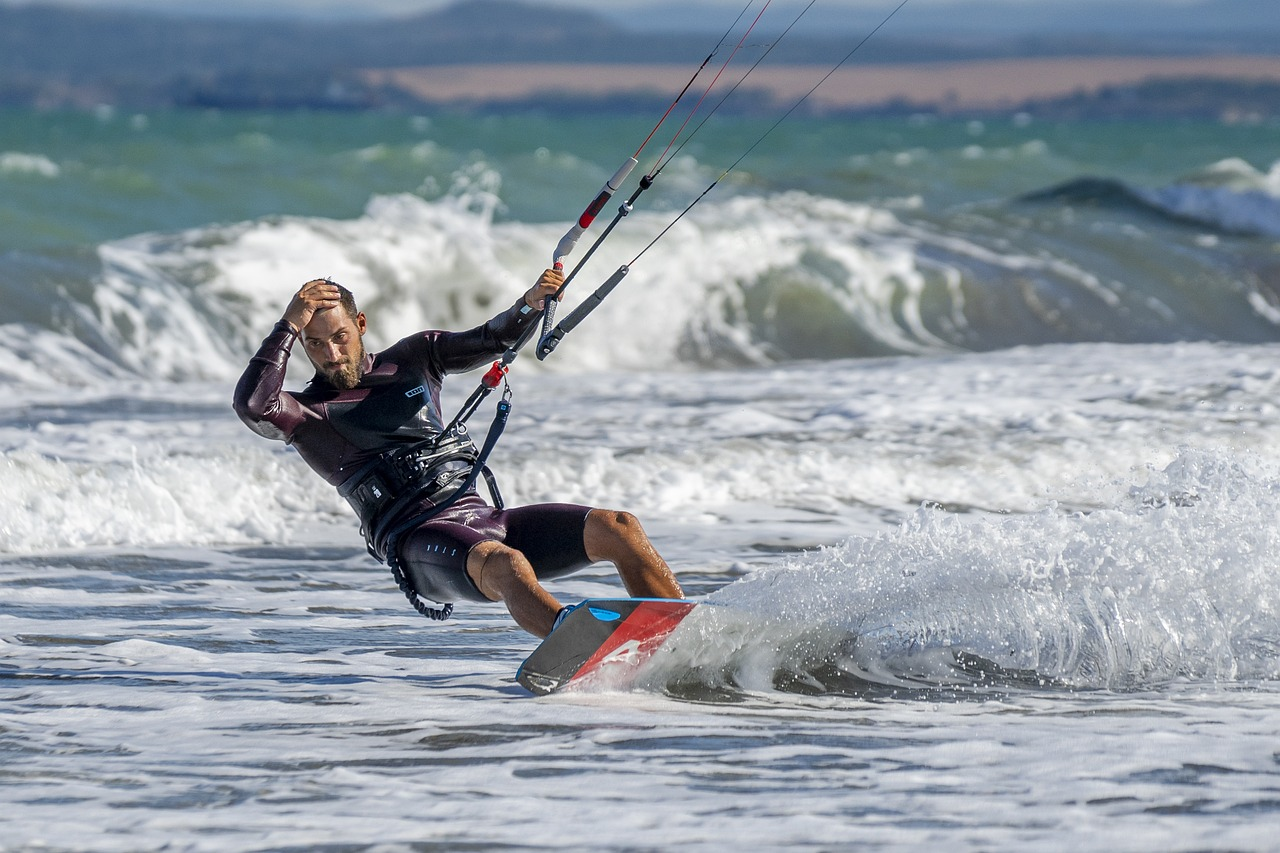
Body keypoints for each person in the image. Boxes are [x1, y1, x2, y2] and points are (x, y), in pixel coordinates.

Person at [233, 270, 683, 638]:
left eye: (340, 337)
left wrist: (531, 301)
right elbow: (253, 405)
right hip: (417, 541)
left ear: (361, 325)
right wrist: (288, 325)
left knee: (617, 527)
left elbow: (490, 339)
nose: (331, 353)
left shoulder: (414, 358)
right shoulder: (306, 415)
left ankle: (679, 634)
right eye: (314, 343)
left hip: (483, 518)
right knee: (508, 564)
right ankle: (577, 647)